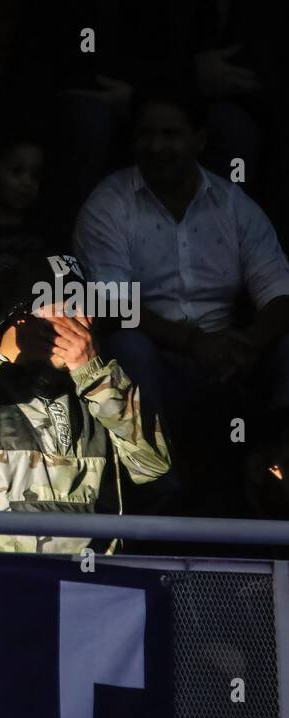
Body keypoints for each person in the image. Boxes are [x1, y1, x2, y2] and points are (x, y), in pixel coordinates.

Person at [73, 85, 289, 508]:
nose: (156, 146)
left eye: (171, 134)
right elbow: (113, 304)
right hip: (158, 358)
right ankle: (160, 495)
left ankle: (278, 473)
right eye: (146, 135)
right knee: (126, 348)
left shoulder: (232, 204)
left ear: (199, 140)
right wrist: (193, 343)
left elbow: (280, 293)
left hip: (229, 358)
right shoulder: (109, 204)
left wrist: (248, 345)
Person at [0, 253, 171, 554]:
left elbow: (153, 467)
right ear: (18, 317)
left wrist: (95, 377)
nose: (85, 321)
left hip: (96, 589)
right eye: (68, 307)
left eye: (86, 309)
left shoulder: (98, 388)